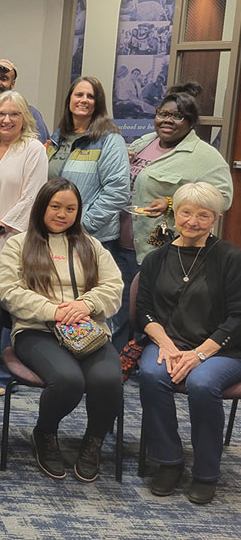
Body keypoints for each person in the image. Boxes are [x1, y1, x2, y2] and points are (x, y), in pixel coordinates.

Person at [0, 178, 124, 483]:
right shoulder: (18, 244)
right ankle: (45, 433)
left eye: (70, 208)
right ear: (42, 207)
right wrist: (54, 311)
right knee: (67, 380)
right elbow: (9, 292)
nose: (62, 214)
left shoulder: (91, 245)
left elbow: (114, 287)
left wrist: (86, 305)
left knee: (108, 379)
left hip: (87, 329)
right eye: (55, 206)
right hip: (36, 330)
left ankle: (93, 442)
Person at [137, 182, 241, 504]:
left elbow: (237, 316)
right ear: (175, 213)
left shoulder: (230, 257)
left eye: (203, 215)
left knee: (201, 384)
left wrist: (198, 354)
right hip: (169, 341)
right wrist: (166, 345)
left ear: (216, 218)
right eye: (186, 213)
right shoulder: (156, 258)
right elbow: (143, 311)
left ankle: (206, 472)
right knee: (152, 375)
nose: (193, 222)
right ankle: (168, 460)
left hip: (222, 347)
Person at [46, 76, 132, 350]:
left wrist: (81, 226)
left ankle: (99, 366)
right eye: (78, 95)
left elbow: (117, 191)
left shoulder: (109, 139)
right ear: (69, 100)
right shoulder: (58, 136)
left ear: (99, 103)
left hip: (91, 239)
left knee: (91, 308)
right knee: (60, 302)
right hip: (55, 237)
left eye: (90, 96)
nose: (83, 100)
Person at [127, 82, 233, 265]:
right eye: (163, 114)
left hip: (159, 252)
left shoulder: (205, 156)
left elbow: (222, 198)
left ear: (191, 122)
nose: (168, 120)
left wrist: (171, 203)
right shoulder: (144, 142)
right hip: (120, 245)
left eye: (178, 116)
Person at [0, 90, 48, 264]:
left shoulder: (33, 149)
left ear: (24, 118)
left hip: (16, 245)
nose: (6, 120)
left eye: (14, 114)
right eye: (1, 114)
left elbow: (31, 198)